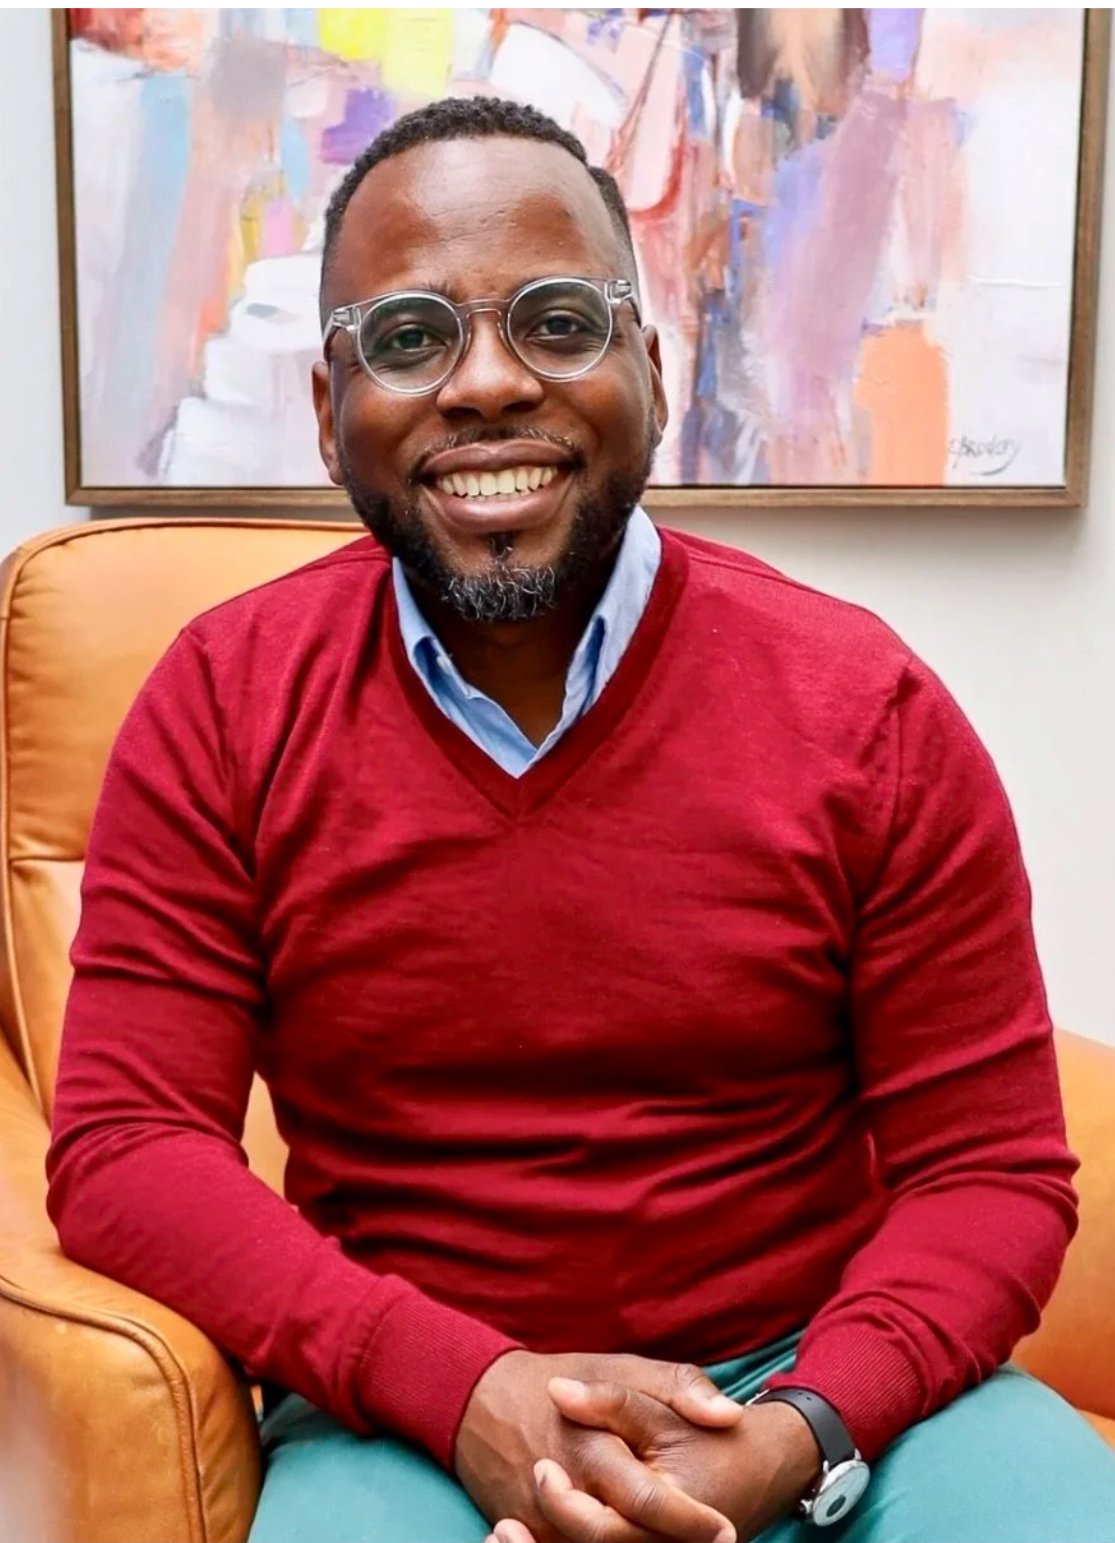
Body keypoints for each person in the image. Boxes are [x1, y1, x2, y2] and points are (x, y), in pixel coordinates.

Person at [46, 97, 1115, 1543]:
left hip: (824, 1393)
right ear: (325, 407)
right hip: (410, 1417)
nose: (486, 385)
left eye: (557, 321)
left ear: (651, 371)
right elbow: (127, 1148)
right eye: (411, 336)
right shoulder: (223, 705)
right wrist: (464, 1387)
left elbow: (989, 1174)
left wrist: (805, 1430)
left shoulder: (864, 708)